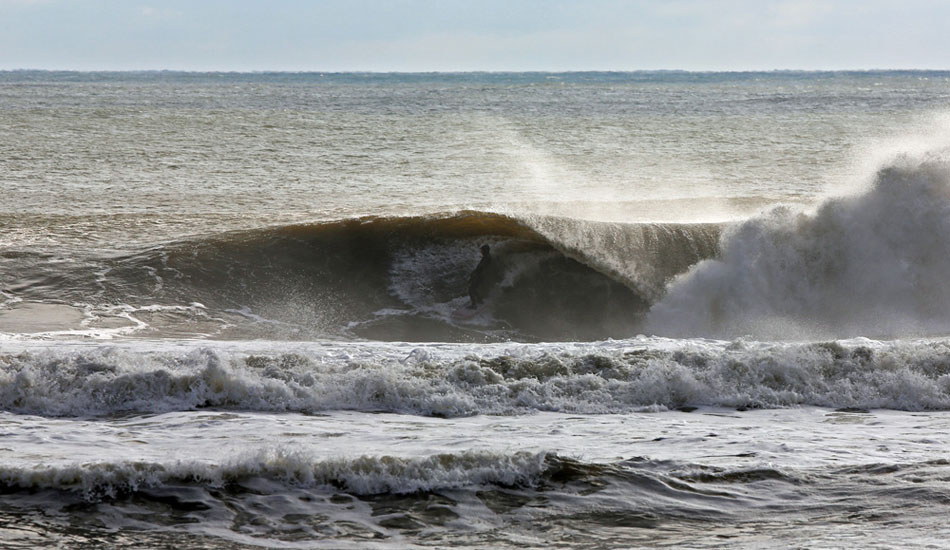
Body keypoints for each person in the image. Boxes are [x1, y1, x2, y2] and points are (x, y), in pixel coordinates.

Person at [468, 244, 492, 308]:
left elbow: (481, 267)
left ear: (485, 250)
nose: (481, 251)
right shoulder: (486, 257)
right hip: (480, 275)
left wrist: (474, 274)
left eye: (482, 250)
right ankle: (480, 300)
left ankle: (474, 305)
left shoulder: (487, 258)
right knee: (474, 289)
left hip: (479, 275)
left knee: (471, 290)